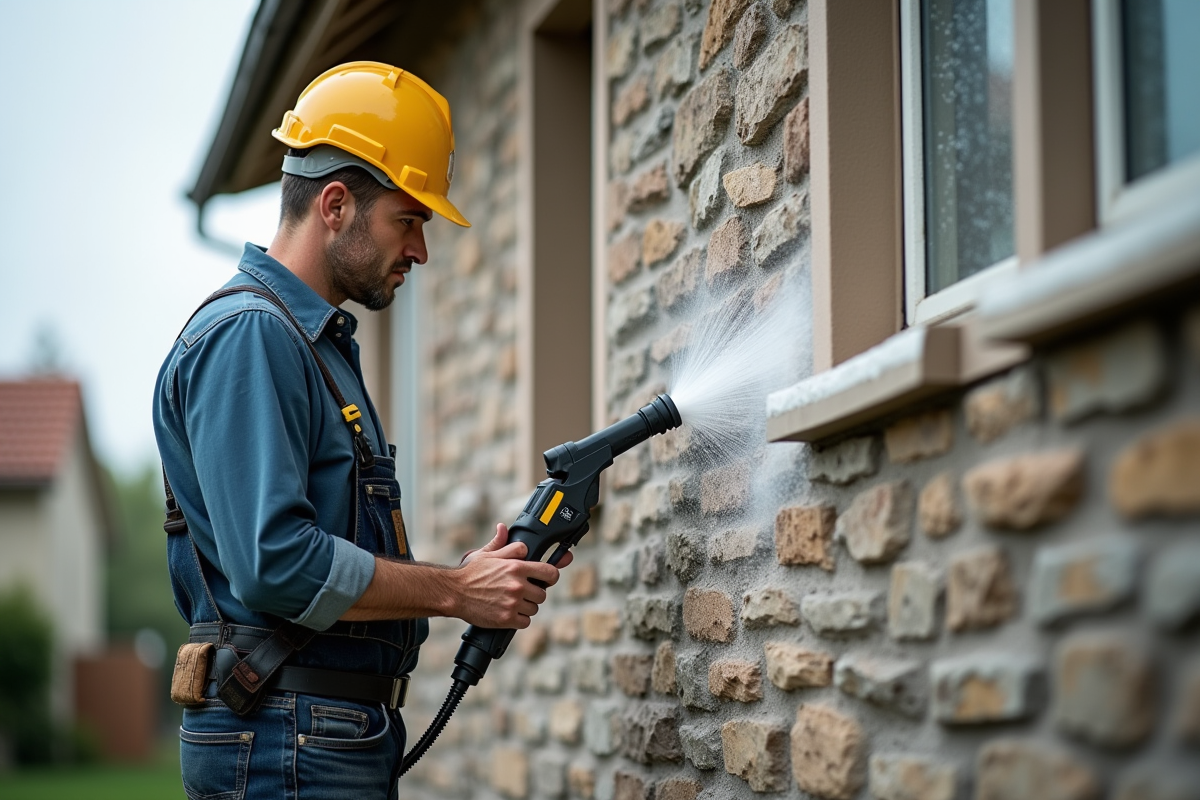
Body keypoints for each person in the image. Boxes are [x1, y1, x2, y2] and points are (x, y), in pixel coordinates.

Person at [153, 62, 564, 800]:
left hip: (314, 734)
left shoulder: (316, 345)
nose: (420, 250)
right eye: (408, 219)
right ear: (336, 204)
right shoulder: (253, 336)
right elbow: (274, 563)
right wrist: (455, 591)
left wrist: (463, 580)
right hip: (284, 735)